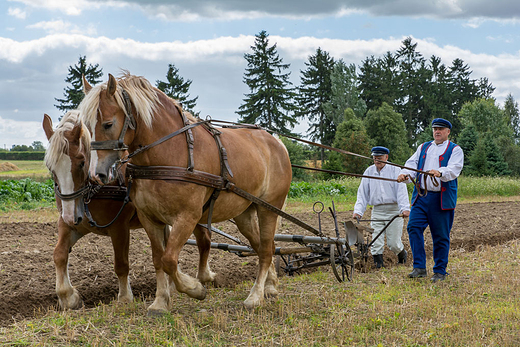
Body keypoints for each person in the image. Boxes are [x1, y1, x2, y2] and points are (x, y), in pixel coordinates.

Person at [397, 118, 463, 282]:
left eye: (441, 129)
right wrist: (404, 174)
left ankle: (440, 271)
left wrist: (440, 172)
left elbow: (454, 169)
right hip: (421, 197)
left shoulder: (455, 150)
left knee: (440, 236)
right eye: (435, 129)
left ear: (448, 132)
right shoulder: (423, 147)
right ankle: (419, 267)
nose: (437, 132)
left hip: (441, 199)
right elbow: (411, 165)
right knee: (413, 227)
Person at [353, 146, 410, 269]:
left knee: (393, 243)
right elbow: (362, 193)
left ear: (386, 157)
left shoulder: (395, 170)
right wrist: (358, 211)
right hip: (377, 210)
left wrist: (404, 208)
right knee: (375, 241)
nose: (377, 161)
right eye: (375, 158)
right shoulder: (369, 171)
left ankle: (402, 254)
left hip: (393, 210)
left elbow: (401, 191)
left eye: (380, 158)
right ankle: (378, 265)